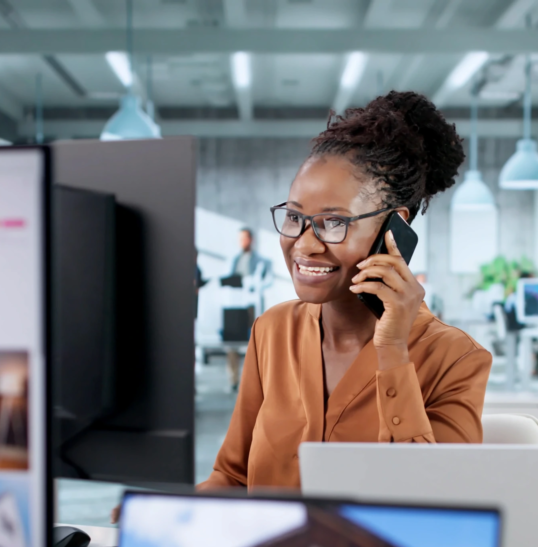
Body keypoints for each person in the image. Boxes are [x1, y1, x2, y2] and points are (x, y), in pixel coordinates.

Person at [199, 90, 492, 491]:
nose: (304, 244)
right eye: (295, 217)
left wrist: (392, 350)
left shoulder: (454, 357)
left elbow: (437, 504)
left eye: (333, 223)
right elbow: (233, 477)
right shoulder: (273, 330)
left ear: (394, 228)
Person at [226, 228, 273, 390]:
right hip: (235, 304)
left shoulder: (262, 261)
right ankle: (233, 379)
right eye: (240, 239)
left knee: (254, 341)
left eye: (244, 239)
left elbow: (269, 280)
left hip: (252, 305)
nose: (242, 243)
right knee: (231, 341)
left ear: (251, 240)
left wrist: (256, 285)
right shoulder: (234, 260)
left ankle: (254, 380)